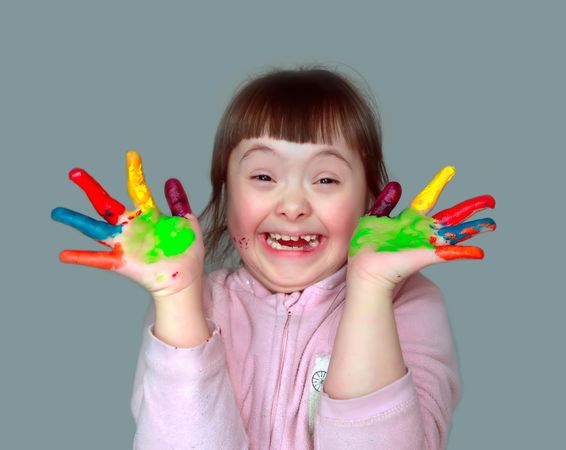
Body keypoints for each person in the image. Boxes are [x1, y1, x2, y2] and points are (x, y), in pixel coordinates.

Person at [51, 66, 496, 449]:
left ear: (369, 199)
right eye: (263, 176)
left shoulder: (408, 304)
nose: (293, 205)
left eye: (325, 180)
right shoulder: (196, 305)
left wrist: (371, 290)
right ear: (226, 194)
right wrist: (177, 296)